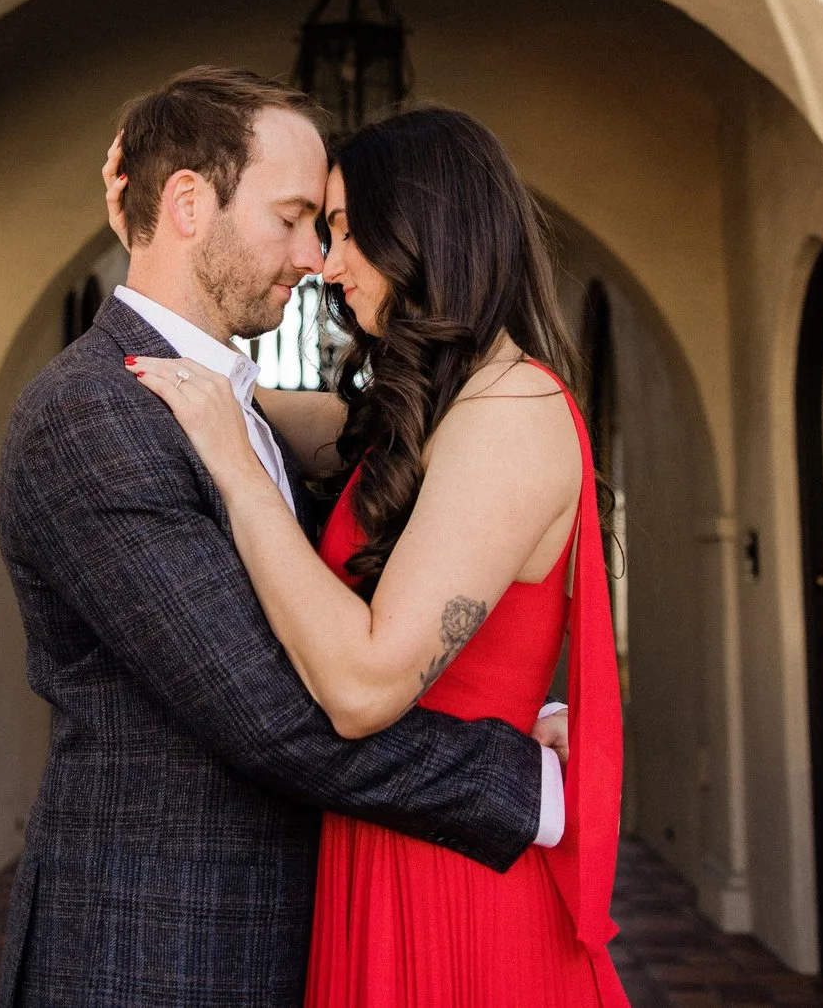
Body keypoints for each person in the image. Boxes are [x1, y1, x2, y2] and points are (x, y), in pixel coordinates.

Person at [0, 68, 570, 1008]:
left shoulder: (228, 402)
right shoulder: (94, 412)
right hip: (157, 953)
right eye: (295, 217)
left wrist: (502, 690)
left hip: (294, 934)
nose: (314, 255)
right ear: (188, 200)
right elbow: (272, 713)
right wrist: (528, 781)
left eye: (331, 226)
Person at [124, 102, 628, 1008]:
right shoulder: (437, 411)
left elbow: (360, 687)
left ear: (426, 233)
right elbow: (315, 429)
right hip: (382, 850)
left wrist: (237, 474)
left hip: (456, 886)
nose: (326, 261)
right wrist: (167, 291)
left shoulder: (513, 413)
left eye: (349, 229)